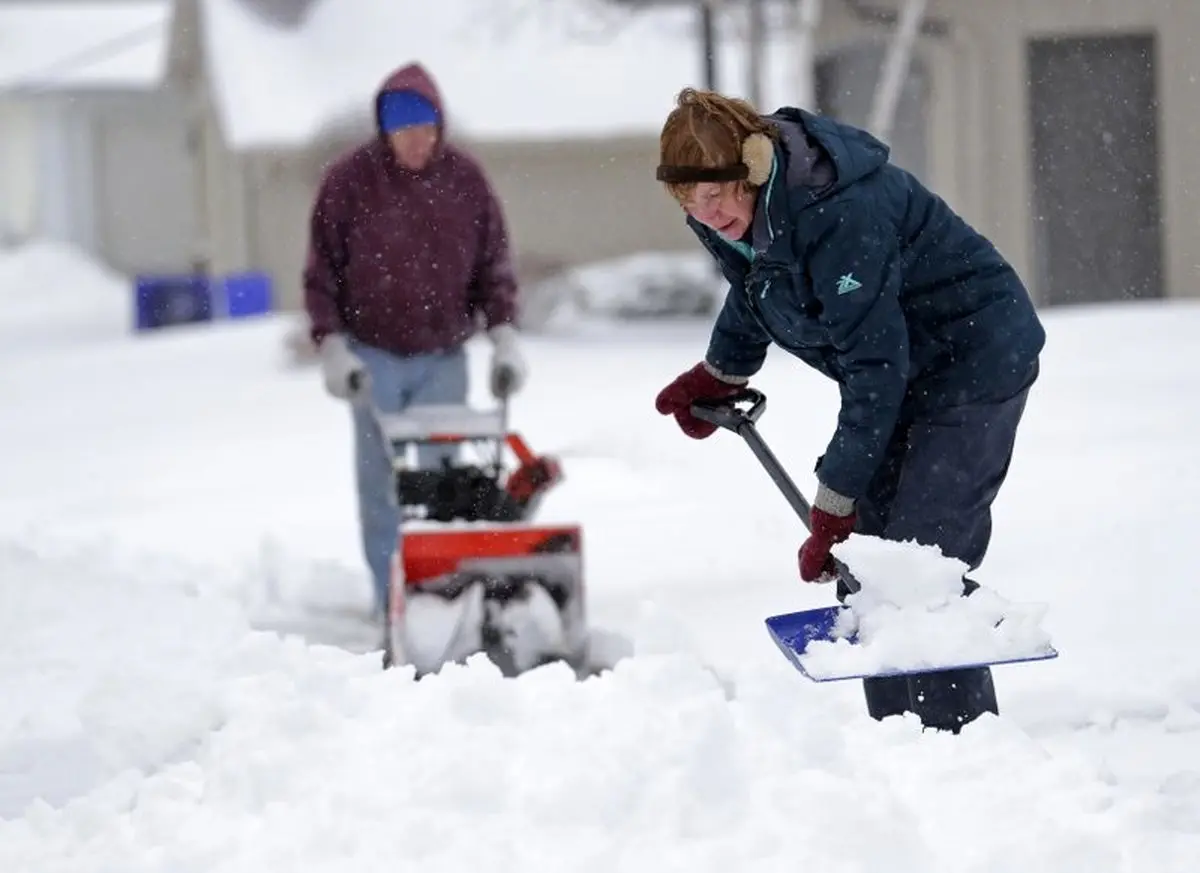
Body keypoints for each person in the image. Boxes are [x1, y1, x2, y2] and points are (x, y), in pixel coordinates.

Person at [652, 88, 1045, 733]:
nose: (707, 211)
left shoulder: (839, 212)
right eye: (690, 198)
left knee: (922, 557)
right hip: (905, 367)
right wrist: (720, 373)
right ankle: (895, 738)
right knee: (869, 555)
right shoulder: (736, 215)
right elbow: (759, 286)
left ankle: (965, 749)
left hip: (974, 358)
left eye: (718, 191)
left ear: (753, 164)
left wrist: (833, 502)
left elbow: (874, 369)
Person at [303, 61, 528, 617]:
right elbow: (321, 273)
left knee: (442, 481)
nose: (417, 143)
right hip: (372, 357)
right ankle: (394, 602)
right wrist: (331, 347)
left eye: (426, 131)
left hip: (443, 355)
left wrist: (503, 337)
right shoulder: (349, 183)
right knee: (381, 486)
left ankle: (445, 595)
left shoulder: (465, 182)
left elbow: (493, 265)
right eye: (405, 133)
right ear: (385, 130)